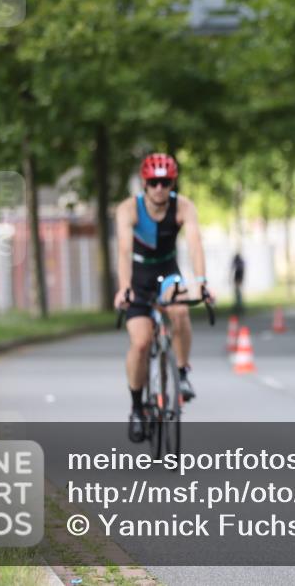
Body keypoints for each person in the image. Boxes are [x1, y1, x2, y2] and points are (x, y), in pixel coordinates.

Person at [114, 153, 212, 442]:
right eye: (154, 182)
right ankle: (136, 408)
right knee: (141, 342)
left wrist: (202, 282)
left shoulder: (183, 207)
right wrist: (124, 287)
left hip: (168, 273)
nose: (159, 188)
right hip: (139, 276)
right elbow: (122, 249)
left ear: (172, 182)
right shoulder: (128, 209)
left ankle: (180, 374)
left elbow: (195, 244)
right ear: (145, 183)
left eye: (165, 182)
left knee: (180, 311)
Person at [231, 252, 245, 316]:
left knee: (238, 291)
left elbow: (239, 271)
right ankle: (238, 304)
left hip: (239, 276)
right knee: (237, 291)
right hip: (238, 276)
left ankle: (239, 305)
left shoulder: (239, 263)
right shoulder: (239, 263)